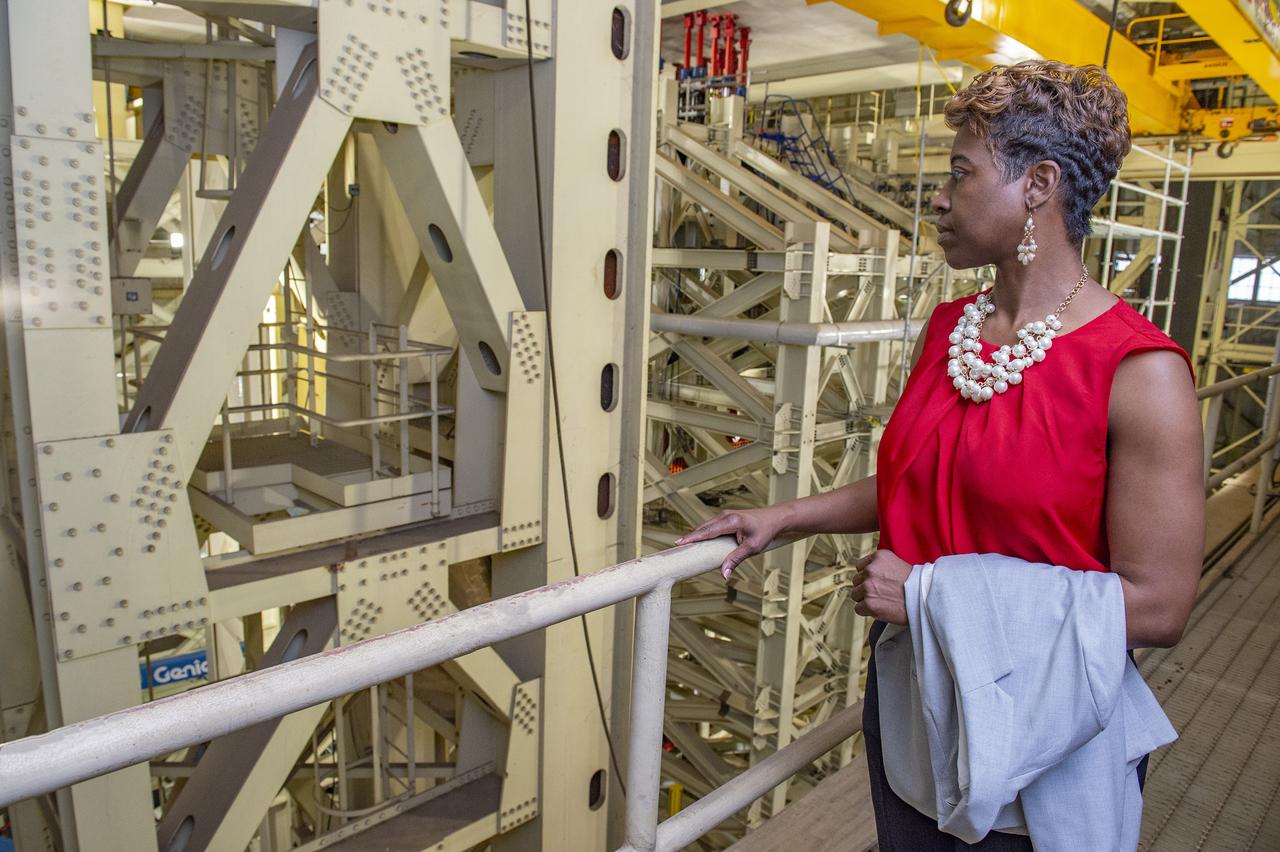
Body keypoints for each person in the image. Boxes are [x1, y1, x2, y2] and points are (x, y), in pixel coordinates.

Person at [674, 59, 1205, 850]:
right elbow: (923, 482)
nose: (938, 196)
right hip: (915, 713)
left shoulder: (1140, 374)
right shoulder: (952, 328)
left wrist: (929, 592)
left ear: (1038, 186)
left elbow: (1160, 607)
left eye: (961, 171)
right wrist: (786, 517)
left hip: (1038, 738)